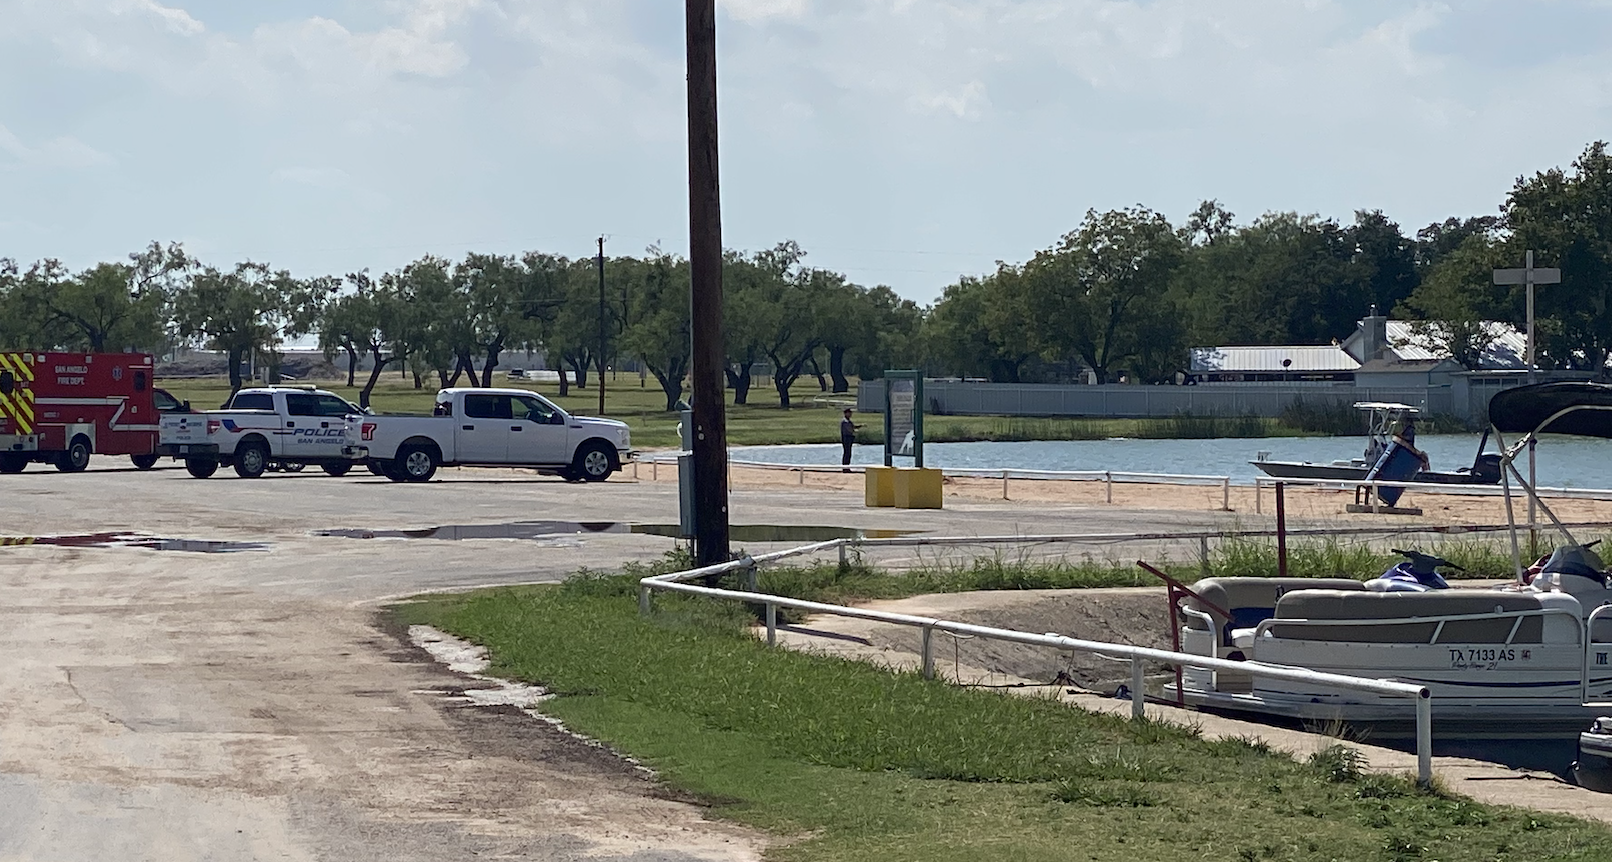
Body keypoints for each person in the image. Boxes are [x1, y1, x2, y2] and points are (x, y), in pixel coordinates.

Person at [840, 408, 861, 472]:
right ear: (846, 413)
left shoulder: (849, 421)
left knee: (849, 453)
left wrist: (860, 426)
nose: (850, 414)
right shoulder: (844, 422)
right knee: (847, 452)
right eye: (849, 413)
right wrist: (854, 431)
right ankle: (845, 467)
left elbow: (853, 427)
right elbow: (849, 429)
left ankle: (847, 467)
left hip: (849, 438)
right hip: (846, 438)